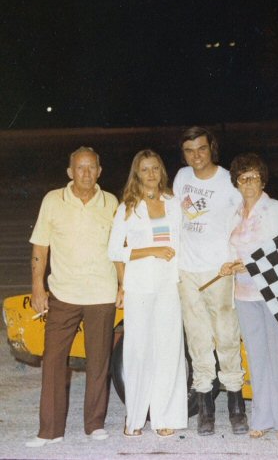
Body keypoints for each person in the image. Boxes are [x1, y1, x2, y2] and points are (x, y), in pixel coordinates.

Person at [26, 147, 119, 447]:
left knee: (99, 361)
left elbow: (119, 249)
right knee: (53, 360)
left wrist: (122, 285)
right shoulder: (53, 200)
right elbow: (40, 247)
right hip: (63, 293)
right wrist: (38, 287)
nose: (86, 173)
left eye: (91, 167)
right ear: (70, 172)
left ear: (99, 171)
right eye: (80, 167)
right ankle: (50, 431)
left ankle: (95, 424)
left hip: (101, 293)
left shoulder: (111, 202)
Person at [172, 126, 247, 436]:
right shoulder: (181, 178)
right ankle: (205, 408)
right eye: (189, 151)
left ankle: (236, 406)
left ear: (211, 148)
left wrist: (237, 260)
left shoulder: (229, 182)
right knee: (198, 339)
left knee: (227, 338)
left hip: (219, 272)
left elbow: (244, 223)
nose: (196, 156)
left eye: (201, 149)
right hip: (187, 272)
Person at [107, 150, 187, 437]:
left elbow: (183, 242)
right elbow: (114, 251)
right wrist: (151, 251)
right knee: (138, 351)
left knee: (168, 350)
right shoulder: (127, 207)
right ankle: (134, 419)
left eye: (155, 168)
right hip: (139, 286)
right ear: (137, 174)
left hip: (169, 285)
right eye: (145, 169)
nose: (151, 174)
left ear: (161, 171)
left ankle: (164, 417)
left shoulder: (173, 203)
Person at [221, 153, 278, 440]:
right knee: (256, 357)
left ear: (263, 180)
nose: (248, 183)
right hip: (244, 294)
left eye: (253, 177)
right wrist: (228, 265)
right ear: (236, 183)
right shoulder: (234, 213)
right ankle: (262, 418)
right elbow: (230, 248)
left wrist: (253, 265)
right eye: (243, 178)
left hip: (275, 292)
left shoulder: (276, 210)